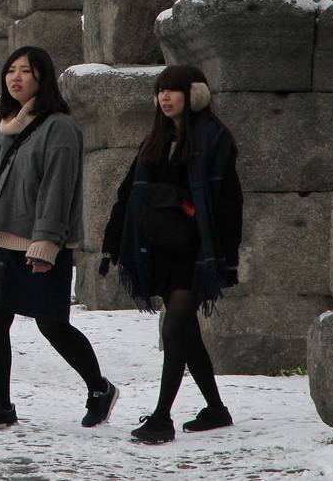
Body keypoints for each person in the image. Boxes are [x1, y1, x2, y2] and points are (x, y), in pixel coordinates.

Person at [0, 45, 117, 432]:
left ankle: (99, 388)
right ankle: (1, 405)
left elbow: (57, 189)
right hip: (1, 237)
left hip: (41, 243)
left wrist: (46, 243)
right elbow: (3, 171)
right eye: (10, 70)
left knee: (52, 324)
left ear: (42, 77)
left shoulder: (59, 127)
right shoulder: (8, 122)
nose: (15, 78)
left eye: (25, 71)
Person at [100, 65, 243, 445]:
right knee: (186, 332)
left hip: (196, 250)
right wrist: (112, 243)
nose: (165, 98)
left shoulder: (214, 139)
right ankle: (215, 409)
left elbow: (229, 203)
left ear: (194, 95)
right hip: (160, 246)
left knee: (174, 326)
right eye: (161, 91)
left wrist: (228, 260)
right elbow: (128, 193)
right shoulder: (156, 141)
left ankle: (162, 417)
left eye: (174, 91)